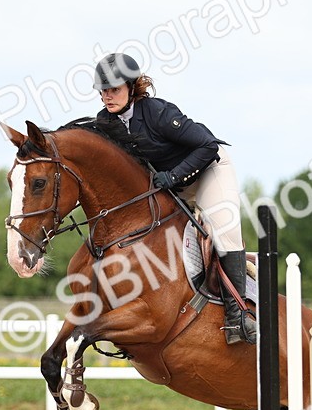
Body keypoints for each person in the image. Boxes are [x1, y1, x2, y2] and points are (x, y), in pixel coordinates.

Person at [92, 52, 257, 345]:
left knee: (224, 232)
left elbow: (208, 146)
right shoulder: (106, 121)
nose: (108, 96)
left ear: (132, 88)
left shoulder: (157, 112)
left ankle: (238, 315)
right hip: (169, 183)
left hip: (207, 171)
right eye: (104, 91)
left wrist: (175, 176)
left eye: (114, 90)